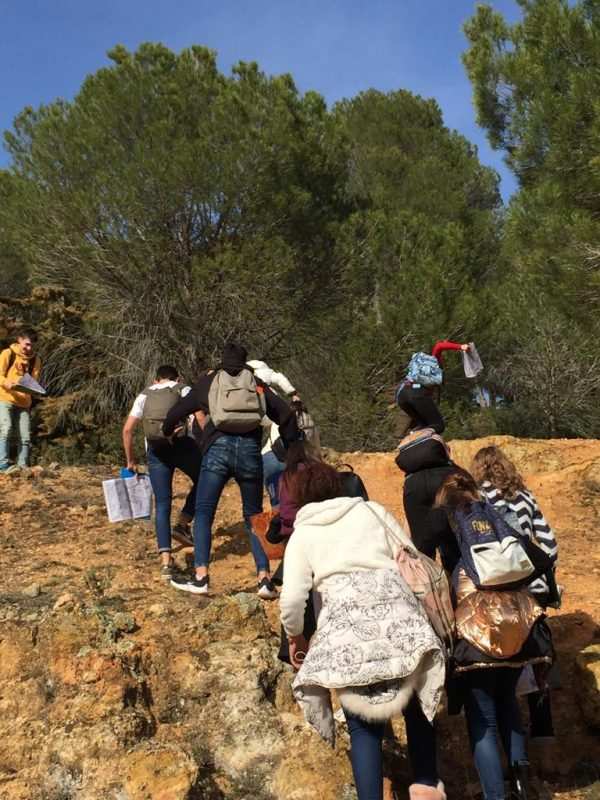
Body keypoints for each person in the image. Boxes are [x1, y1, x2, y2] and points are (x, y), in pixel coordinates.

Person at [280, 461, 447, 800]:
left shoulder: (303, 534)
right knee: (416, 706)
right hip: (401, 619)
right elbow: (410, 556)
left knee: (363, 730)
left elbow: (293, 598)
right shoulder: (372, 512)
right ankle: (426, 786)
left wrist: (296, 636)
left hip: (346, 634)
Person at [435, 469, 553, 800]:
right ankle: (521, 784)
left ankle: (495, 795)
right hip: (519, 635)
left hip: (477, 643)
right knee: (508, 704)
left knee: (483, 719)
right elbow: (542, 558)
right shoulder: (497, 526)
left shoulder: (458, 554)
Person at [162, 343, 299, 598]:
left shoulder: (210, 381)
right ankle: (264, 580)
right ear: (245, 360)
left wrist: (167, 430)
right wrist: (292, 446)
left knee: (204, 512)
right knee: (254, 516)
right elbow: (285, 414)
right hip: (249, 452)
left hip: (217, 450)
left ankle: (201, 577)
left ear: (222, 360)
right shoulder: (256, 383)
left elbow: (177, 411)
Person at [471, 446, 559, 753]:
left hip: (502, 588)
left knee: (507, 657)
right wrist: (541, 574)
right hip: (534, 587)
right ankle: (543, 726)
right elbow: (549, 544)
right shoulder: (525, 496)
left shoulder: (480, 497)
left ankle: (507, 740)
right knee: (538, 653)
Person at [122, 365, 202, 580]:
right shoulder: (183, 389)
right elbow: (200, 417)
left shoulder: (144, 394)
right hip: (183, 447)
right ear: (178, 378)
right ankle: (183, 523)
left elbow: (127, 430)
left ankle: (166, 561)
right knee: (204, 478)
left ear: (156, 379)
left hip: (156, 451)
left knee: (162, 503)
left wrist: (130, 460)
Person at [0, 328, 42, 473]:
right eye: (27, 344)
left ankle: (22, 466)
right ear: (19, 340)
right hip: (5, 398)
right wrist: (7, 383)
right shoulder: (8, 354)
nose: (29, 348)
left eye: (32, 345)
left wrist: (35, 391)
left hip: (24, 402)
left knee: (25, 435)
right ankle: (2, 465)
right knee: (5, 429)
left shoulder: (36, 360)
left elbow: (32, 381)